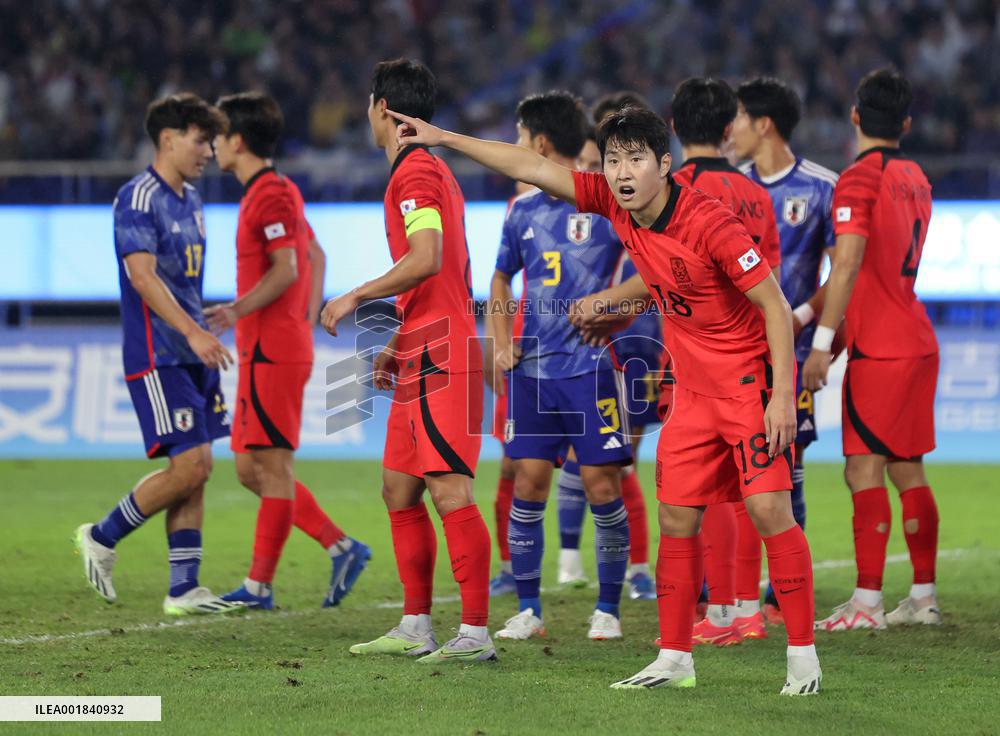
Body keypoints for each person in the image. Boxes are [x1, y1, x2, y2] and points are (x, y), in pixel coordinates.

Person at [386, 102, 821, 695]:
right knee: (677, 518)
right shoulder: (618, 204)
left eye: (635, 159)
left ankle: (803, 661)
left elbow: (772, 303)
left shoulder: (710, 221)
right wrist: (442, 137)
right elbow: (531, 165)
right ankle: (674, 658)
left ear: (664, 165)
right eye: (613, 159)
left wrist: (782, 398)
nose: (622, 170)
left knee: (770, 512)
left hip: (749, 384)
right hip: (691, 389)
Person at [320, 59, 494, 663]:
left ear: (385, 110)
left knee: (449, 489)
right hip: (423, 344)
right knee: (399, 488)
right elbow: (443, 272)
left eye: (370, 104)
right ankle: (416, 623)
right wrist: (398, 337)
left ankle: (474, 633)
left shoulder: (416, 172)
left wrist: (355, 295)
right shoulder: (426, 171)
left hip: (445, 353)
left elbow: (426, 256)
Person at [75, 93, 240, 616]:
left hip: (194, 346)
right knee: (189, 465)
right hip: (159, 351)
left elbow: (177, 276)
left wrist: (204, 317)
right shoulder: (138, 197)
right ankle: (101, 535)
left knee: (199, 465)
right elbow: (142, 276)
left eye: (212, 142)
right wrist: (192, 331)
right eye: (200, 140)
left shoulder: (191, 199)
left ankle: (184, 588)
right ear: (168, 139)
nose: (209, 152)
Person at [207, 91, 370, 610]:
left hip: (272, 349)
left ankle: (259, 586)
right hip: (272, 346)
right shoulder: (275, 191)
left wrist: (239, 311)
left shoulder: (271, 195)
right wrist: (305, 317)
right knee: (248, 468)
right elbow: (315, 255)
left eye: (216, 134)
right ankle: (342, 547)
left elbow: (288, 268)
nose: (211, 144)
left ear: (237, 139)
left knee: (271, 466)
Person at [489, 91, 633, 642]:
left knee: (600, 484)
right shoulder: (521, 210)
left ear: (540, 143)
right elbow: (501, 277)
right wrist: (503, 340)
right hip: (532, 372)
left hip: (591, 370)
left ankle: (609, 609)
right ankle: (528, 608)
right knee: (528, 482)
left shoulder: (605, 204)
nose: (517, 146)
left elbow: (650, 271)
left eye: (521, 137)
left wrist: (610, 304)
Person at [805, 68, 941, 631]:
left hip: (880, 348)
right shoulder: (918, 176)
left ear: (855, 116)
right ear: (906, 123)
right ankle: (924, 598)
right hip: (916, 339)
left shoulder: (858, 178)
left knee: (863, 470)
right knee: (907, 471)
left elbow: (850, 263)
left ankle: (867, 604)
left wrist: (818, 343)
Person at [665, 77, 785, 646]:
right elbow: (771, 283)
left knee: (703, 491)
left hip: (695, 358)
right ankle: (743, 604)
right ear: (726, 127)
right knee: (749, 488)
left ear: (673, 125)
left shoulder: (674, 190)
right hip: (754, 358)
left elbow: (660, 275)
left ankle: (720, 610)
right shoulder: (758, 194)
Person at [731, 76, 839, 629]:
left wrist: (803, 319)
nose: (732, 129)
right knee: (732, 476)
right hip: (734, 356)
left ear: (764, 124)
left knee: (786, 470)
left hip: (789, 354)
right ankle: (730, 590)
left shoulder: (822, 187)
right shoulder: (732, 188)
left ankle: (780, 595)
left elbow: (844, 271)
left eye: (741, 117)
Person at [554, 93, 660, 601]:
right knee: (586, 456)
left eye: (619, 158)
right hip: (594, 340)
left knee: (619, 459)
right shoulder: (591, 197)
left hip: (633, 342)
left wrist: (618, 312)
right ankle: (573, 560)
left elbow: (648, 272)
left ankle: (638, 568)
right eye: (601, 160)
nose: (608, 170)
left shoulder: (635, 203)